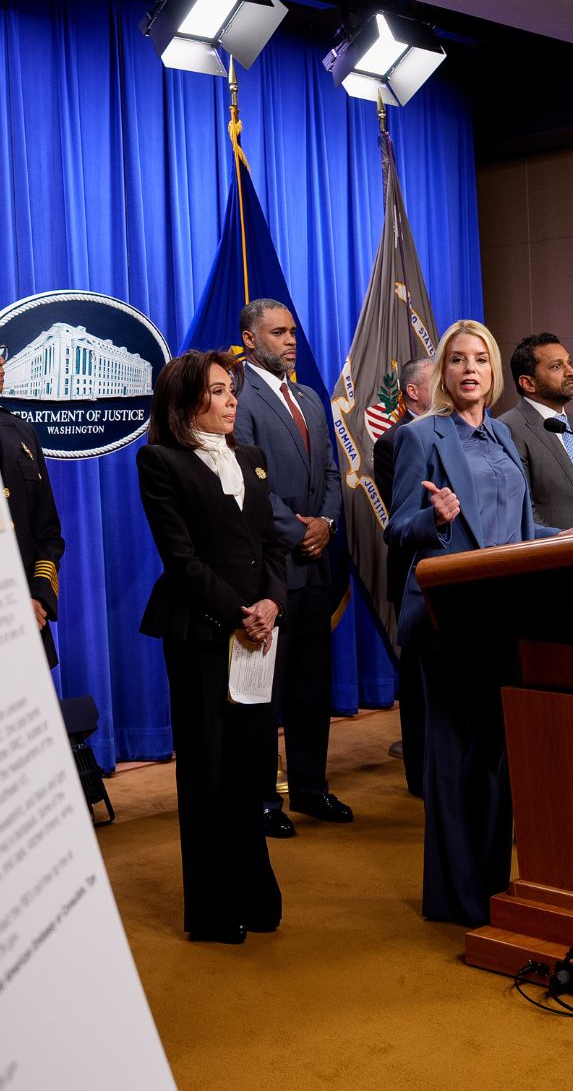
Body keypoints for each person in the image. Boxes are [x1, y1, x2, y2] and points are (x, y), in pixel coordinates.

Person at [386, 319, 573, 928]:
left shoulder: (502, 436)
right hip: (448, 616)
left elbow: (514, 532)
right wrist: (435, 518)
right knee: (452, 757)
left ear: (494, 373)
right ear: (443, 374)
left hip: (504, 613)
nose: (469, 369)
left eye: (480, 359)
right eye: (457, 360)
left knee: (494, 756)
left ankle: (494, 883)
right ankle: (455, 897)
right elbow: (398, 530)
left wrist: (564, 537)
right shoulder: (424, 437)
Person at [137, 350, 289, 944]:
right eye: (220, 391)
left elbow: (274, 543)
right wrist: (239, 612)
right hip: (202, 635)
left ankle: (255, 890)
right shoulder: (160, 461)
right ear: (185, 400)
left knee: (251, 770)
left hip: (258, 636)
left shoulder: (249, 458)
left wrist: (272, 604)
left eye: (233, 390)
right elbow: (181, 560)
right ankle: (214, 909)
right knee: (208, 773)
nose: (232, 401)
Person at [232, 298, 350, 837]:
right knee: (268, 691)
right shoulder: (240, 396)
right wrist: (297, 530)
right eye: (278, 333)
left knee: (310, 684)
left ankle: (310, 787)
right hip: (273, 568)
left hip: (316, 565)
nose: (290, 340)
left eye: (292, 332)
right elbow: (248, 482)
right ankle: (260, 798)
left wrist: (325, 520)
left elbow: (331, 469)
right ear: (251, 339)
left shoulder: (306, 395)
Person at [0, 302, 65, 667]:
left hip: (31, 621)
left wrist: (38, 598)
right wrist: (5, 606)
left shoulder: (21, 432)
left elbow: (48, 533)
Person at [371, 355, 433, 798]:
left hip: (459, 571)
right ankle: (419, 772)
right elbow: (404, 515)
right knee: (417, 682)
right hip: (417, 570)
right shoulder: (394, 440)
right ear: (411, 391)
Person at [497, 332, 573, 530]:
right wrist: (560, 543)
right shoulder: (507, 429)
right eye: (557, 366)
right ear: (528, 383)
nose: (571, 371)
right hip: (551, 555)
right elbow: (524, 508)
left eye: (569, 363)